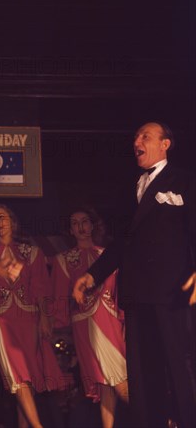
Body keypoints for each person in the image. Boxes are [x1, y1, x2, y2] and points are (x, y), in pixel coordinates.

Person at [73, 122, 196, 427]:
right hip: (137, 294)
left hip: (172, 293)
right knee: (142, 372)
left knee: (179, 364)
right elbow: (121, 244)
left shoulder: (185, 181)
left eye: (145, 136)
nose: (136, 141)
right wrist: (92, 275)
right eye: (135, 137)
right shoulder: (132, 188)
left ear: (165, 143)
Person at [0, 204, 66, 428]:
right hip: (0, 320)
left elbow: (41, 289)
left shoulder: (32, 253)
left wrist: (44, 317)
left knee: (27, 383)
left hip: (28, 319)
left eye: (2, 217)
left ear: (13, 221)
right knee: (17, 378)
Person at [51, 207, 127, 428]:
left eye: (84, 221)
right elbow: (58, 296)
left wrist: (125, 319)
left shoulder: (108, 254)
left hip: (108, 319)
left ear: (93, 225)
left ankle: (161, 419)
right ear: (70, 229)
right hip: (83, 324)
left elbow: (120, 292)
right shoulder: (62, 260)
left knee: (120, 379)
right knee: (103, 384)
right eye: (75, 222)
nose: (80, 226)